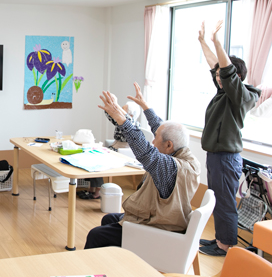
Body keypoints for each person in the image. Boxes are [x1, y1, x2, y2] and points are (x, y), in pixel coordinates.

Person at [84, 84, 200, 249]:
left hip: (160, 228)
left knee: (96, 235)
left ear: (168, 145)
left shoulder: (169, 167)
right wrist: (145, 106)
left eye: (156, 138)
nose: (153, 141)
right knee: (108, 219)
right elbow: (159, 127)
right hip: (168, 219)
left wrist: (121, 118)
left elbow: (145, 151)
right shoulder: (183, 154)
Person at [197, 20, 261, 256]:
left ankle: (227, 246)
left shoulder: (241, 96)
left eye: (222, 75)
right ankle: (220, 239)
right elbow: (216, 65)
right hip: (215, 156)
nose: (217, 78)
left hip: (226, 158)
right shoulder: (223, 91)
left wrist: (216, 41)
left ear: (236, 76)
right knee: (217, 200)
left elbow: (225, 71)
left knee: (225, 203)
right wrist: (203, 41)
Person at [80, 101, 142, 199]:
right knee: (91, 154)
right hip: (115, 146)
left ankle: (97, 191)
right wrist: (108, 107)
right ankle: (91, 189)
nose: (119, 110)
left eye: (122, 109)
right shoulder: (121, 120)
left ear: (130, 114)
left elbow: (129, 123)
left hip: (123, 150)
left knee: (97, 159)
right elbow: (111, 117)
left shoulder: (133, 123)